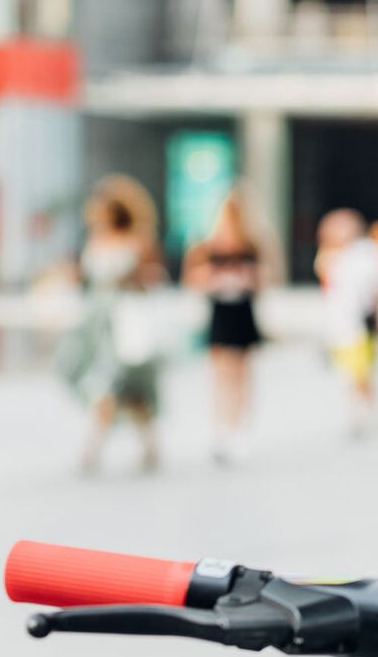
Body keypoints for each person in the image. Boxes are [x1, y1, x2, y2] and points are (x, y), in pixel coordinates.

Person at [62, 176, 168, 474]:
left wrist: (131, 277)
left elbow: (153, 279)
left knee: (120, 386)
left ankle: (93, 449)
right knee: (112, 386)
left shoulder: (140, 241)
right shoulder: (94, 240)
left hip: (125, 321)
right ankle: (147, 445)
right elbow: (86, 279)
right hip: (95, 324)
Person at [183, 187, 277, 464]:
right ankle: (222, 427)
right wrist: (215, 279)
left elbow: (267, 277)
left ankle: (239, 427)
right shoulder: (207, 243)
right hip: (220, 308)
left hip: (242, 308)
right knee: (221, 370)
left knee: (241, 371)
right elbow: (193, 278)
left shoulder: (254, 242)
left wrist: (248, 279)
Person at [315, 208, 378, 436]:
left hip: (360, 321)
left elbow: (374, 285)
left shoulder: (365, 253)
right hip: (339, 322)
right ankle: (361, 409)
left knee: (361, 370)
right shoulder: (330, 255)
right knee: (349, 370)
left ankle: (367, 410)